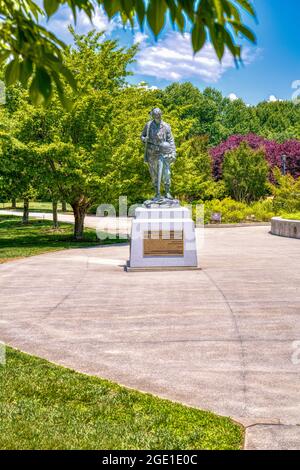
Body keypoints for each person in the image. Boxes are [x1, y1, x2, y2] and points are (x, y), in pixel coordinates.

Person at [141, 108, 176, 200]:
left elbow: (171, 140)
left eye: (159, 115)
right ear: (153, 116)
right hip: (152, 153)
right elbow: (142, 136)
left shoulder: (166, 126)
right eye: (156, 115)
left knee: (166, 173)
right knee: (154, 175)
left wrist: (173, 153)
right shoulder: (148, 125)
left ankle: (167, 192)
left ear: (161, 115)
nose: (158, 117)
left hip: (164, 152)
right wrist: (144, 139)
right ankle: (157, 193)